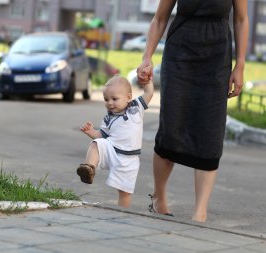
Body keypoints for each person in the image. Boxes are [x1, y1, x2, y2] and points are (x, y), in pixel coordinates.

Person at [137, 0, 248, 222]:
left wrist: (240, 65)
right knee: (171, 127)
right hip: (180, 56)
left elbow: (241, 19)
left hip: (216, 59)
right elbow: (159, 18)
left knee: (211, 130)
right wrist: (146, 57)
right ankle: (159, 197)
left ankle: (200, 212)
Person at [76, 75, 154, 208]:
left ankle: (123, 213)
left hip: (129, 159)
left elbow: (149, 92)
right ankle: (88, 168)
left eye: (114, 99)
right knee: (96, 144)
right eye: (106, 99)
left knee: (124, 192)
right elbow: (101, 135)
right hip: (112, 149)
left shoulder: (136, 108)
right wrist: (92, 133)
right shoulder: (108, 118)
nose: (110, 103)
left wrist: (147, 81)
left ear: (128, 97)